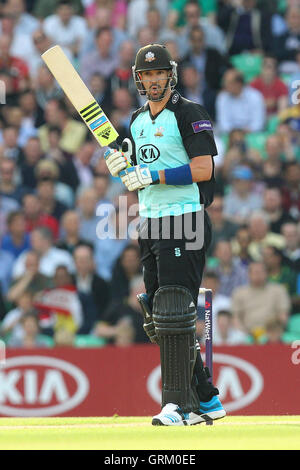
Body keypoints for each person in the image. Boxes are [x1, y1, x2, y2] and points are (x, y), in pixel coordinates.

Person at [104, 44, 225, 426]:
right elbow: (140, 174)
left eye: (159, 74)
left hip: (185, 218)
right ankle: (206, 399)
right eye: (146, 74)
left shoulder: (189, 113)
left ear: (170, 75)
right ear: (138, 79)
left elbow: (203, 169)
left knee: (174, 310)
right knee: (159, 317)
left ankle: (178, 405)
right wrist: (123, 167)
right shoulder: (137, 121)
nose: (153, 80)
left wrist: (151, 175)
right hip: (151, 220)